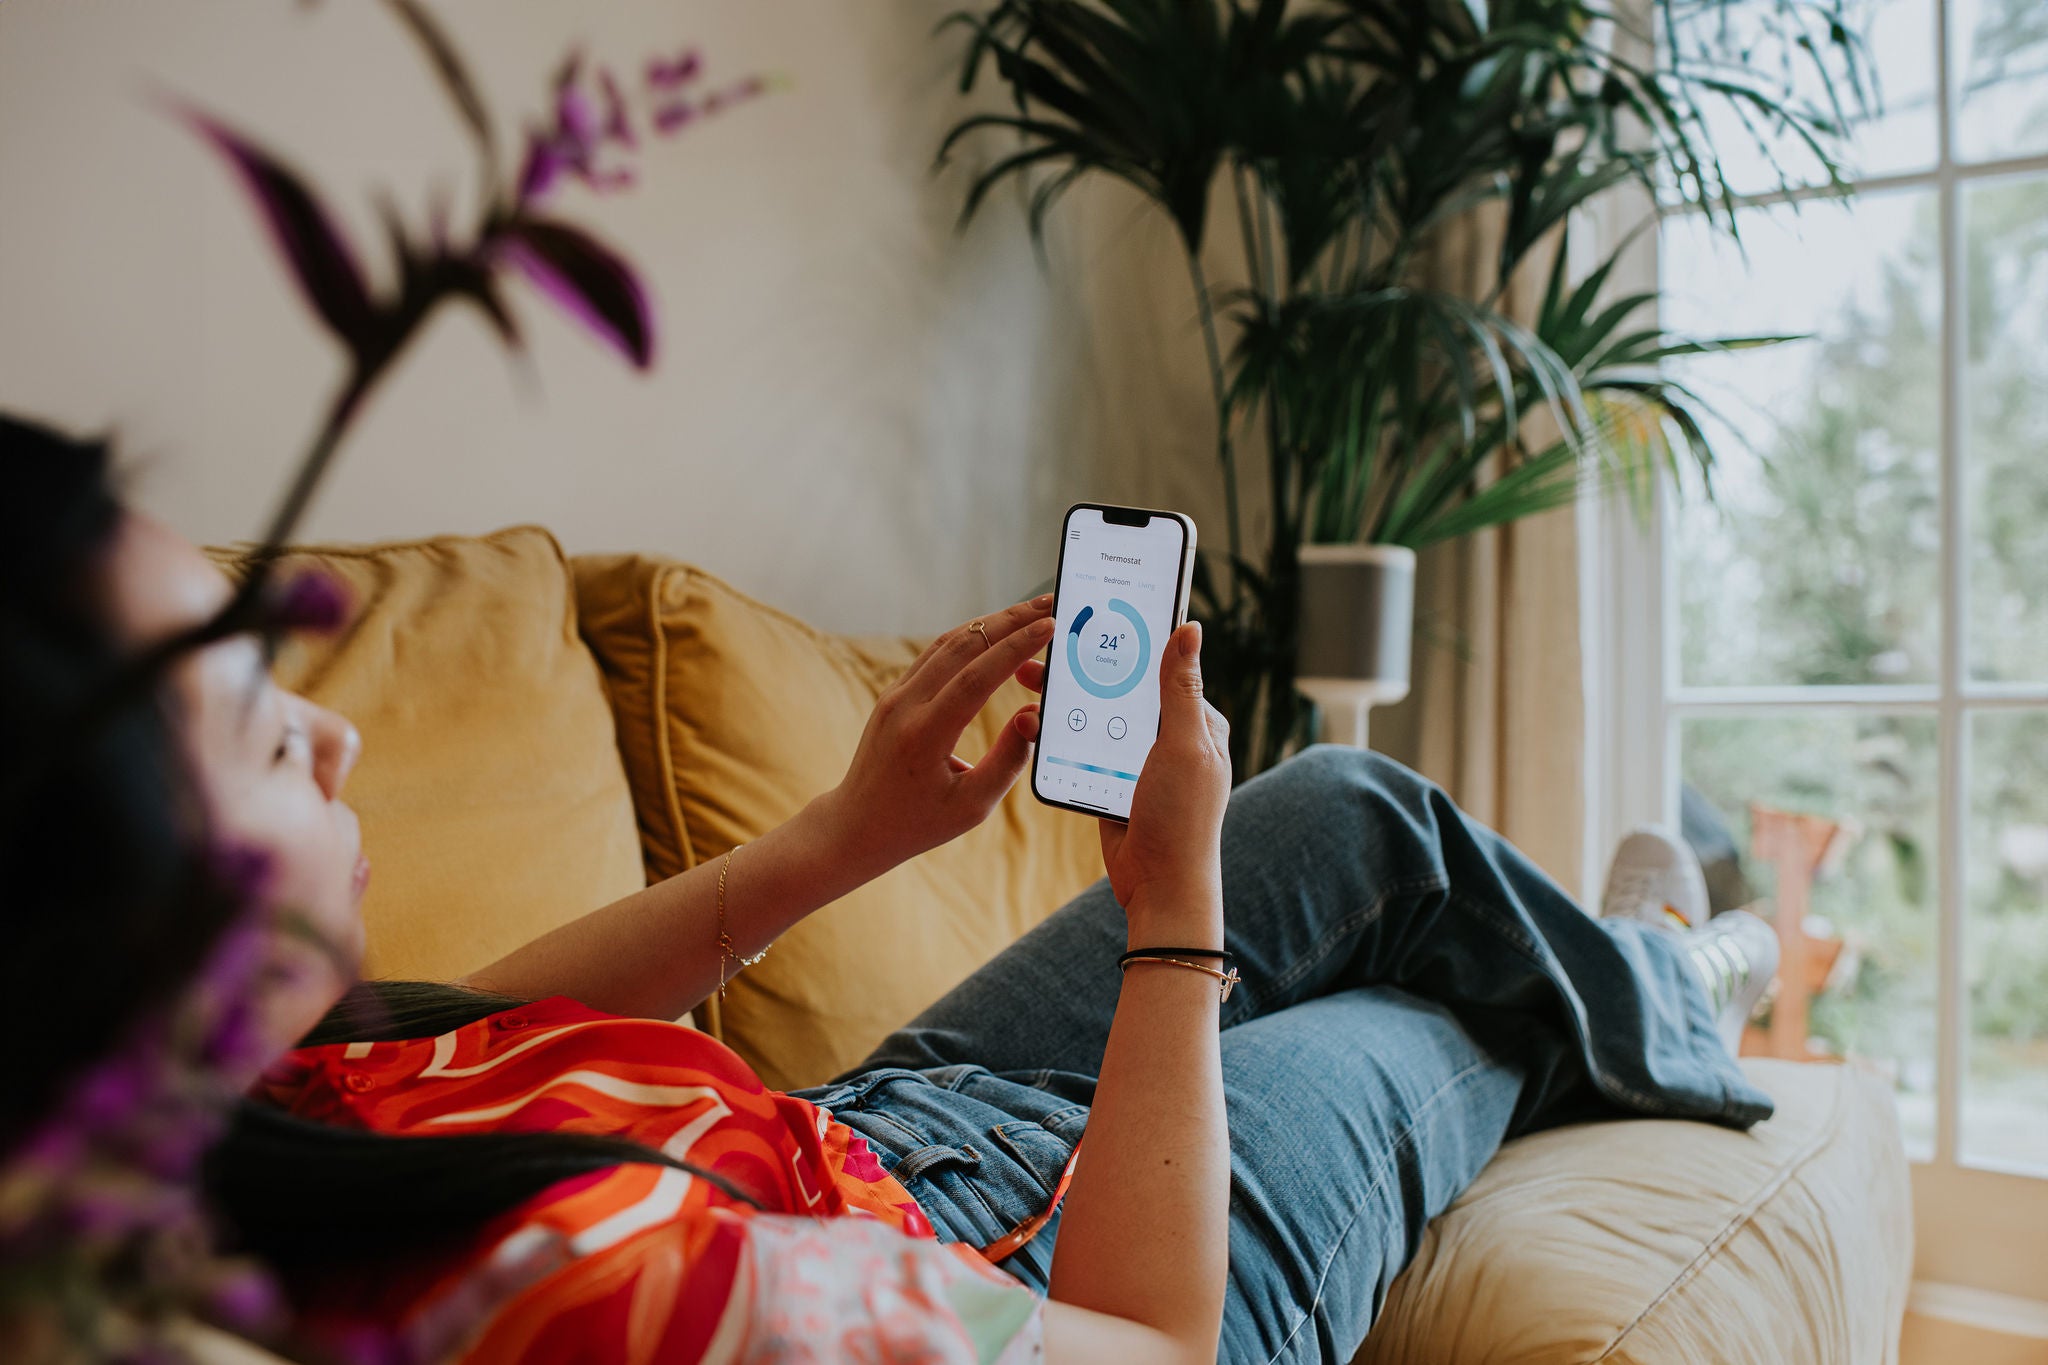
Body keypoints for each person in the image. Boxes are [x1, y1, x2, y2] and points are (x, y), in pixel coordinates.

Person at [1, 413, 1779, 1365]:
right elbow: (1139, 1351)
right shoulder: (601, 1296)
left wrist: (842, 840)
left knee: (1354, 808)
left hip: (860, 1133)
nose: (331, 731)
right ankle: (1696, 963)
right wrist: (1176, 928)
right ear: (105, 909)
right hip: (1069, 1278)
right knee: (1429, 1001)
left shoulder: (235, 1105)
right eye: (242, 715)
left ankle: (1654, 958)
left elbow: (482, 1029)